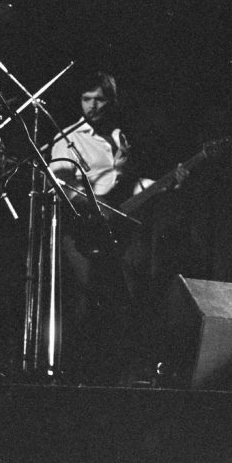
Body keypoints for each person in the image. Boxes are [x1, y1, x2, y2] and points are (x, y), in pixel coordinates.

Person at [49, 71, 186, 383]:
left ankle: (113, 379)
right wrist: (96, 201)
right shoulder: (68, 138)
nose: (93, 106)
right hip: (82, 231)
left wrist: (166, 183)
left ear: (111, 101)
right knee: (85, 302)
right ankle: (75, 379)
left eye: (99, 99)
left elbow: (133, 186)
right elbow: (62, 187)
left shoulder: (121, 137)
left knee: (123, 302)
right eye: (87, 99)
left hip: (119, 232)